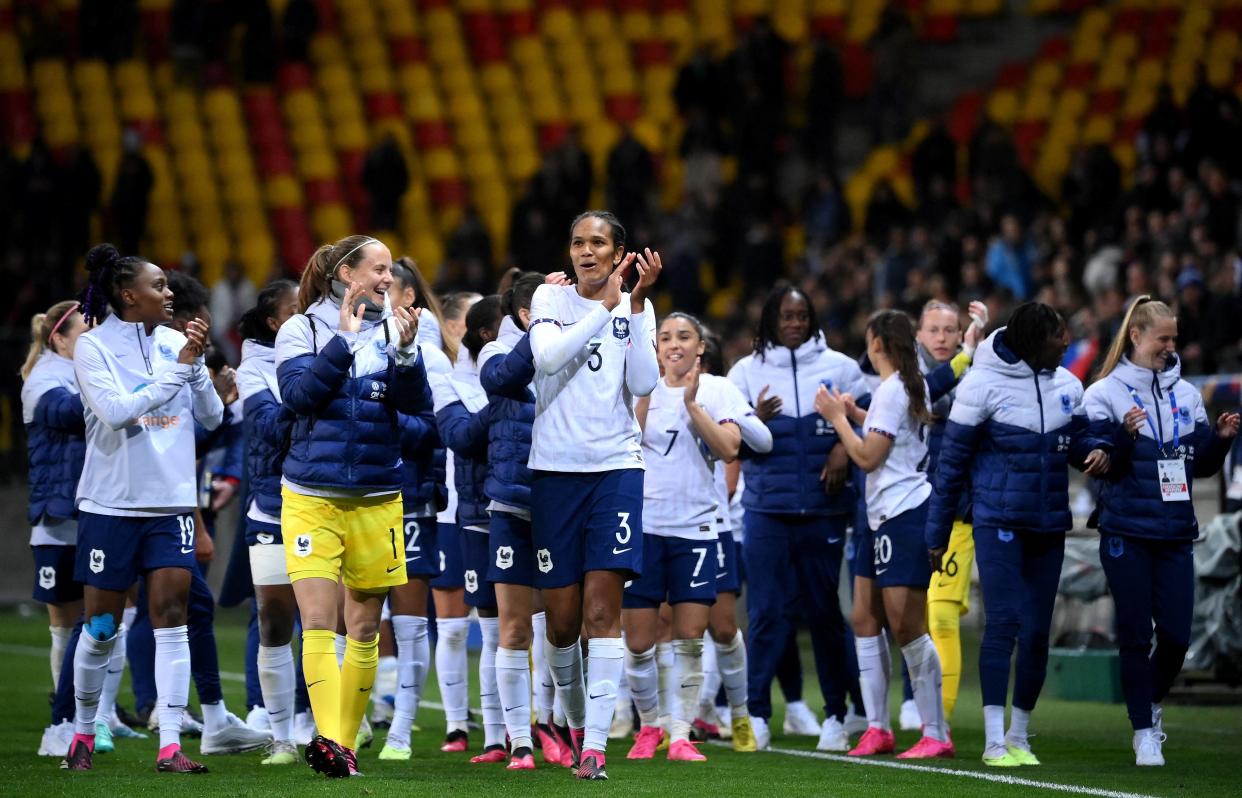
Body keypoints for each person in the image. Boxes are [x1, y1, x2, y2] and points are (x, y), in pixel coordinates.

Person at [926, 301, 1112, 767]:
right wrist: (938, 530)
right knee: (1004, 624)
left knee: (1036, 634)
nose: (1066, 342)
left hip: (1049, 523)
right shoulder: (981, 385)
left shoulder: (1067, 384)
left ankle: (1020, 736)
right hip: (998, 522)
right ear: (1033, 342)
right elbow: (950, 466)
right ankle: (993, 742)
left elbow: (1078, 439)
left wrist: (1097, 451)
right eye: (1058, 337)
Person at [63, 243, 224, 773]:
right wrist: (178, 371)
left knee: (171, 619)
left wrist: (196, 368)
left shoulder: (177, 341)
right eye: (158, 286)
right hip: (112, 504)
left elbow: (213, 417)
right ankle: (84, 732)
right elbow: (113, 413)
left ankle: (172, 744)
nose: (169, 292)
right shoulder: (93, 348)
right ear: (128, 295)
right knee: (102, 627)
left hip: (172, 502)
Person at [275, 234, 428, 778]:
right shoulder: (302, 329)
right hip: (311, 496)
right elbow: (298, 399)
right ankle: (329, 739)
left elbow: (422, 415)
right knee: (318, 621)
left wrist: (408, 357)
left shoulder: (397, 330)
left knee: (363, 629)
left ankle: (342, 747)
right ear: (346, 274)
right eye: (380, 269)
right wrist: (341, 342)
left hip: (378, 497)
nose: (390, 278)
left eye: (391, 271)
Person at [528, 210, 660, 780]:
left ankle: (595, 748)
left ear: (618, 253)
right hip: (555, 471)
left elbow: (642, 383)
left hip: (615, 468)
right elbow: (549, 358)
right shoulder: (550, 299)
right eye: (578, 241)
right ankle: (578, 722)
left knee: (604, 612)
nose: (585, 251)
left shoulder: (637, 307)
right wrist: (607, 307)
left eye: (597, 243)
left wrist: (630, 307)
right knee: (561, 623)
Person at [1083, 296, 1238, 766]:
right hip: (1125, 530)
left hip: (1174, 532)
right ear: (1137, 337)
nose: (1172, 347)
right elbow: (1102, 469)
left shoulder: (1187, 394)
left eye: (1174, 338)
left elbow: (1200, 469)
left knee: (1175, 637)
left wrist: (1221, 442)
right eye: (1163, 339)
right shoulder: (1104, 394)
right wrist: (1124, 438)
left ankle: (1147, 705)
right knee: (1134, 635)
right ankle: (1144, 731)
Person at [726, 285, 865, 751]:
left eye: (802, 315)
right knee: (767, 614)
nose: (794, 323)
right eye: (785, 315)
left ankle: (836, 716)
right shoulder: (744, 372)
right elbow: (727, 446)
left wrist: (844, 444)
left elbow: (874, 421)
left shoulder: (842, 367)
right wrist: (753, 420)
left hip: (825, 511)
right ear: (770, 318)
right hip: (766, 511)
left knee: (826, 614)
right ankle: (758, 714)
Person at [815, 310, 952, 760]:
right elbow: (889, 433)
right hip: (879, 517)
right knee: (863, 617)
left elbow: (869, 457)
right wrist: (856, 412)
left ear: (876, 345)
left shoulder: (893, 390)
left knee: (906, 625)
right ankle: (878, 728)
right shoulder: (898, 388)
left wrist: (838, 419)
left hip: (903, 511)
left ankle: (935, 732)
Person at [624, 312, 759, 763]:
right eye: (665, 337)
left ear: (701, 347)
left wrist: (694, 406)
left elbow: (729, 449)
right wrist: (645, 394)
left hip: (698, 529)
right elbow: (627, 440)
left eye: (684, 337)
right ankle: (648, 727)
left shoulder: (718, 389)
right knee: (639, 641)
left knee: (690, 638)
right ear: (656, 347)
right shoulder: (639, 387)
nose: (674, 344)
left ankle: (679, 734)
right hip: (643, 529)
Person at [477, 271, 567, 770]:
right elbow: (506, 377)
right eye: (539, 306)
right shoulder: (496, 351)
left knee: (560, 626)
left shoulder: (572, 343)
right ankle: (520, 741)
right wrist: (540, 330)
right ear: (521, 312)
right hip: (513, 504)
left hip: (560, 500)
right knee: (513, 628)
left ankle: (551, 723)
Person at [375, 260, 454, 762]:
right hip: (354, 494)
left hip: (408, 497)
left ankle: (401, 730)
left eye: (386, 283)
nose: (375, 289)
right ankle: (350, 721)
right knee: (349, 621)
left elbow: (436, 428)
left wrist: (382, 422)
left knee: (407, 620)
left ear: (406, 295)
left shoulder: (431, 353)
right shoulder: (355, 339)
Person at [434, 296, 505, 762]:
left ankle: (507, 726)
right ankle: (457, 722)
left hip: (497, 510)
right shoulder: (442, 376)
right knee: (455, 628)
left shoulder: (504, 374)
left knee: (504, 627)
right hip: (452, 514)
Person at [22, 301, 93, 752]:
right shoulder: (44, 379)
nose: (92, 338)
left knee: (97, 620)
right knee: (65, 625)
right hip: (56, 517)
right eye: (85, 330)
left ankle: (93, 714)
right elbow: (68, 414)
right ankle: (62, 718)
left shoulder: (72, 370)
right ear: (59, 338)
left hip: (88, 510)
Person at [236, 279, 301, 765]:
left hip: (327, 504)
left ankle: (329, 721)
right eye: (295, 308)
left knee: (331, 621)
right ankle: (278, 729)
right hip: (272, 507)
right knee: (274, 616)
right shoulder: (253, 367)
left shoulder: (325, 348)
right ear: (276, 322)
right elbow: (268, 423)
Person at [913, 300, 987, 727]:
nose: (942, 337)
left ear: (962, 336)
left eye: (950, 330)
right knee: (912, 617)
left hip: (957, 511)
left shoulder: (977, 377)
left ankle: (937, 721)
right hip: (911, 511)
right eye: (934, 330)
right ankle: (917, 707)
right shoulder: (905, 379)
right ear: (919, 335)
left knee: (940, 615)